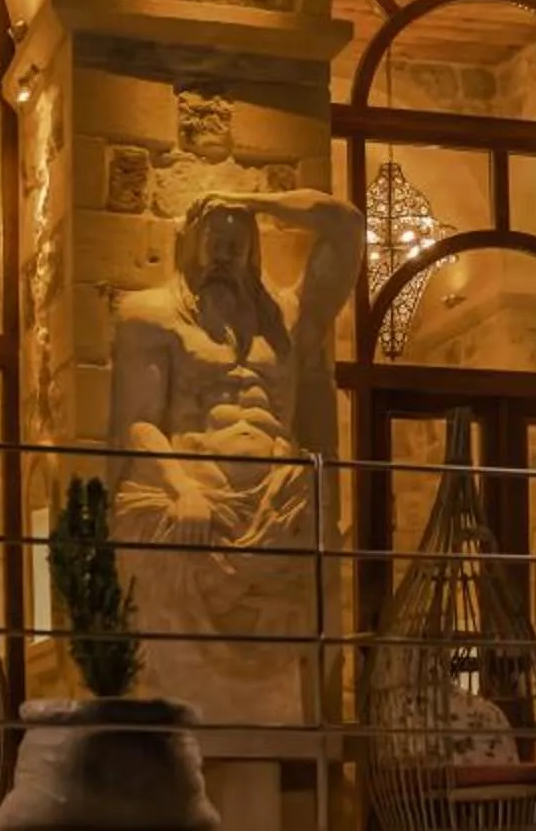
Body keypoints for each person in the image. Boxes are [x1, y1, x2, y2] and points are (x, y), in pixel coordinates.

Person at [107, 187, 360, 713]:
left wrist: (255, 201)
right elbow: (138, 425)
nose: (223, 256)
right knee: (149, 523)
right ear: (190, 245)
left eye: (235, 244)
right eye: (213, 242)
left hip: (278, 499)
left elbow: (346, 226)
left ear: (253, 248)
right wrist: (183, 490)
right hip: (200, 493)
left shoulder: (289, 319)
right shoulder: (150, 317)